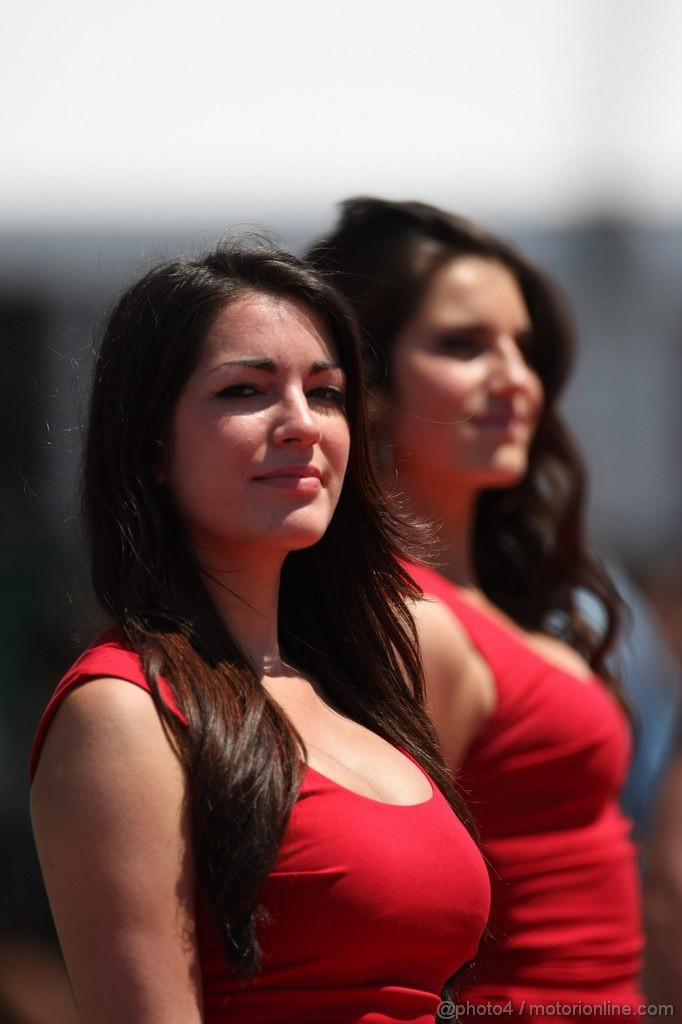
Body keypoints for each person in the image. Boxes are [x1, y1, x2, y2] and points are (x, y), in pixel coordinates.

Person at [29, 240, 490, 1024]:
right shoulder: (125, 716)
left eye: (328, 393)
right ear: (151, 450)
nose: (303, 424)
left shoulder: (365, 687)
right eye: (246, 390)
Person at [308, 199, 645, 1017]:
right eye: (464, 345)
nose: (515, 378)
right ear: (366, 380)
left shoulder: (491, 595)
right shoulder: (411, 619)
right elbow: (389, 907)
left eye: (523, 348)